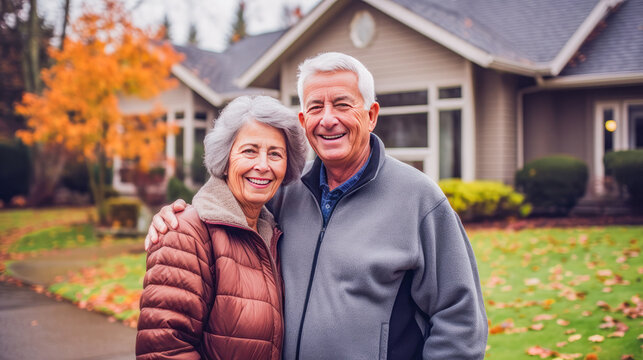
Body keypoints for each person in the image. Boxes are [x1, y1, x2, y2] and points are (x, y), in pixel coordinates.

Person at [146, 52, 488, 359]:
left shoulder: (419, 199)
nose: (328, 119)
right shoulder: (283, 193)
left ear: (371, 115)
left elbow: (460, 320)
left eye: (342, 104)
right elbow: (228, 205)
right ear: (303, 120)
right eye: (315, 107)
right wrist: (176, 218)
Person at [135, 95, 307, 359]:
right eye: (250, 150)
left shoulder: (272, 234)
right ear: (225, 159)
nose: (263, 165)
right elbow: (165, 350)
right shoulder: (184, 233)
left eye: (275, 154)